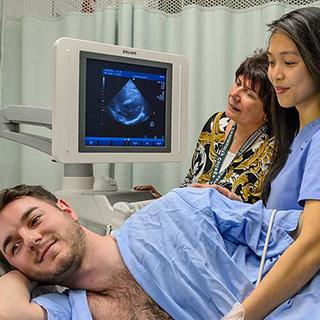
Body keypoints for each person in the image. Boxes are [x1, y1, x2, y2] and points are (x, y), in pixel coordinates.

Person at [1, 6, 320, 319]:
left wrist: (203, 203)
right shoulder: (221, 133)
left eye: (34, 220)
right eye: (13, 246)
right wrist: (23, 266)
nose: (32, 239)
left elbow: (305, 237)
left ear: (65, 208)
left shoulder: (195, 203)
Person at [135, 50, 276, 204]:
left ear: (268, 110)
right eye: (237, 83)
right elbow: (191, 183)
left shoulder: (274, 149)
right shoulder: (216, 124)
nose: (234, 94)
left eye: (249, 94)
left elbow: (264, 215)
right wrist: (164, 201)